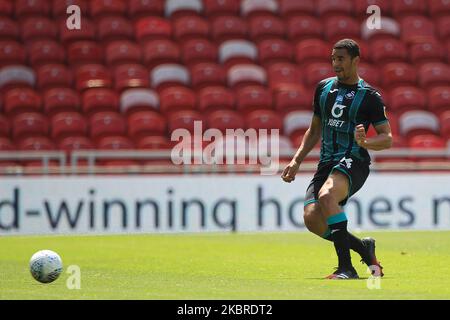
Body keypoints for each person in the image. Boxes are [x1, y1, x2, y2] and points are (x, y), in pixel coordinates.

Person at [281, 39, 392, 279]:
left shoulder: (370, 96)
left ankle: (346, 268)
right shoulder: (323, 88)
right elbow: (314, 130)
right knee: (312, 219)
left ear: (355, 60)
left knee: (327, 195)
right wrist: (296, 160)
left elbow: (387, 138)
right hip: (327, 162)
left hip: (354, 160)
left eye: (340, 59)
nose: (335, 64)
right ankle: (364, 249)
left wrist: (366, 143)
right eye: (333, 59)